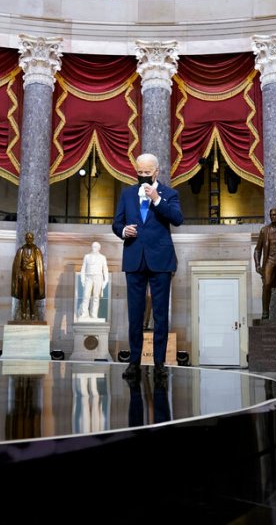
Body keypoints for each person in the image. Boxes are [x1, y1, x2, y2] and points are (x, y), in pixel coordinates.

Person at [112, 153, 183, 381]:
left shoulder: (169, 194)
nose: (143, 176)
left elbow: (177, 218)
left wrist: (157, 200)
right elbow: (116, 222)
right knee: (135, 313)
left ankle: (160, 363)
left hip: (160, 260)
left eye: (147, 173)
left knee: (160, 314)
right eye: (139, 172)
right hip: (134, 258)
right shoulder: (127, 194)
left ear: (156, 172)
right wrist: (123, 231)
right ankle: (134, 361)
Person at [11, 231, 45, 321]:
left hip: (33, 274)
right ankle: (23, 314)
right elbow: (17, 265)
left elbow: (39, 266)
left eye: (31, 238)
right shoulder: (21, 250)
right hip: (24, 274)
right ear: (25, 239)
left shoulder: (36, 250)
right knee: (24, 295)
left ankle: (33, 314)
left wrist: (38, 280)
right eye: (27, 238)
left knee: (32, 295)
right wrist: (19, 275)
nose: (29, 239)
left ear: (33, 239)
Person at [79, 241, 109, 320]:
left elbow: (105, 269)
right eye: (93, 246)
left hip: (98, 277)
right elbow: (83, 269)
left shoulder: (102, 257)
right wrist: (82, 279)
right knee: (86, 296)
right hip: (88, 277)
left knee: (96, 297)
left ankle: (94, 314)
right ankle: (84, 314)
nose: (94, 248)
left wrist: (106, 280)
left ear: (99, 248)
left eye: (95, 247)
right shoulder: (87, 256)